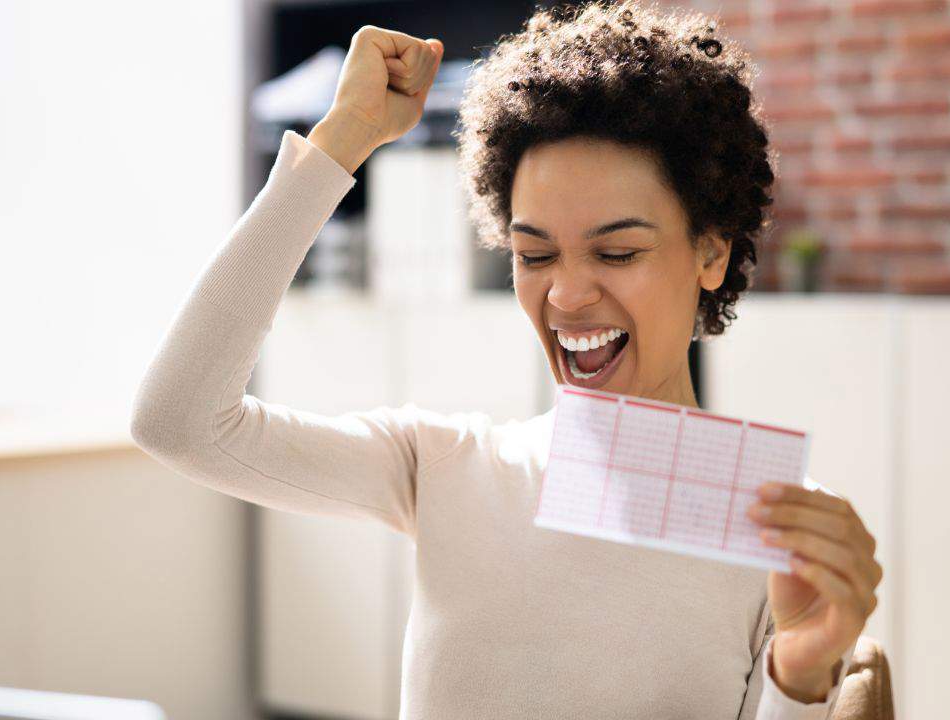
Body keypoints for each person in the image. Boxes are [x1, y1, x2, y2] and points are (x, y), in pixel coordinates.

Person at [130, 2, 883, 718]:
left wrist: (804, 674)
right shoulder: (449, 469)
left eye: (617, 251)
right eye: (534, 253)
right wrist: (341, 142)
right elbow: (180, 420)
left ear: (710, 252)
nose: (566, 294)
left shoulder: (780, 524)